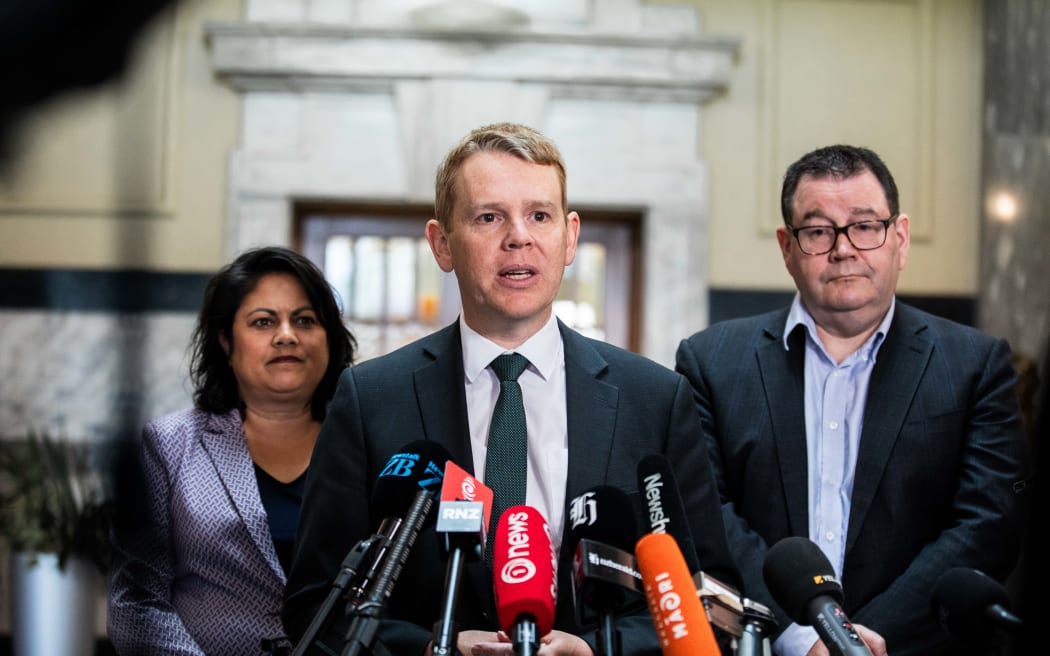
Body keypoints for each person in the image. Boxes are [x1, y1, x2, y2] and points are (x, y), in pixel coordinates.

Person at [283, 122, 740, 656]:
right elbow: (316, 603)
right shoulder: (369, 398)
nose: (518, 236)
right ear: (441, 243)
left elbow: (712, 600)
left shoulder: (656, 401)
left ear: (569, 238)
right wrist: (437, 647)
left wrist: (594, 651)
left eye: (539, 215)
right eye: (488, 216)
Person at [675, 144, 1028, 656]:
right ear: (787, 247)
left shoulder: (975, 364)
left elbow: (987, 522)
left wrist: (853, 644)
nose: (843, 248)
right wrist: (804, 638)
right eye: (818, 231)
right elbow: (705, 515)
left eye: (864, 226)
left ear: (899, 239)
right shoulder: (711, 361)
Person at [108, 246, 356, 655]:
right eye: (263, 321)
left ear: (329, 337)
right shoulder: (168, 446)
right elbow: (136, 603)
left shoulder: (367, 442)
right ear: (226, 340)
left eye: (305, 320)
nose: (287, 335)